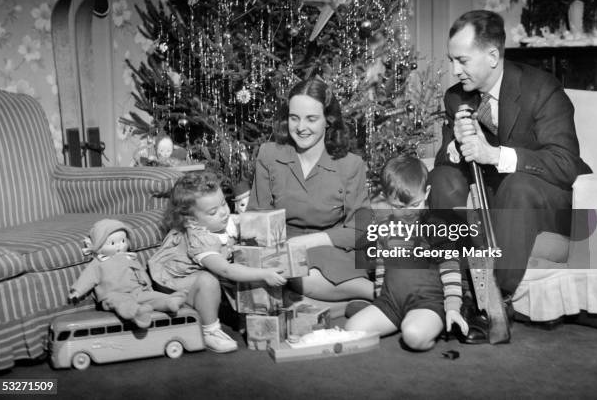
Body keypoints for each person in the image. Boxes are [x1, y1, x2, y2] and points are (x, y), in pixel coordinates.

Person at [430, 10, 591, 340]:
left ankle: (492, 302)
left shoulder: (541, 88)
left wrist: (494, 155)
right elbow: (445, 165)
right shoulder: (456, 96)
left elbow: (565, 163)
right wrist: (457, 147)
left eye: (462, 60)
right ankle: (459, 293)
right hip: (490, 203)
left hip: (546, 201)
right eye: (452, 60)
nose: (455, 70)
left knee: (516, 185)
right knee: (441, 180)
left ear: (492, 56)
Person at [248, 78, 372, 303]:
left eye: (311, 119)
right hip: (283, 251)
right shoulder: (268, 154)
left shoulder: (351, 164)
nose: (301, 127)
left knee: (309, 275)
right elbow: (257, 215)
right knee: (295, 271)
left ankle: (376, 294)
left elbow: (359, 230)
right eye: (294, 118)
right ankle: (374, 296)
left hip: (332, 248)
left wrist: (308, 242)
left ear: (328, 121)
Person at [148, 171, 287, 353]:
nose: (223, 213)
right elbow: (226, 270)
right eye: (213, 212)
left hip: (200, 272)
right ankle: (210, 331)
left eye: (223, 204)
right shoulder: (199, 239)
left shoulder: (221, 222)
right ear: (191, 220)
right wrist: (264, 274)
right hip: (175, 283)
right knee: (209, 281)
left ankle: (246, 315)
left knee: (239, 262)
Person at [345, 156, 468, 351]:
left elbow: (450, 267)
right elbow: (381, 265)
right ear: (387, 200)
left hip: (428, 302)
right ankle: (400, 320)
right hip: (391, 302)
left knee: (413, 335)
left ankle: (437, 322)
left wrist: (453, 306)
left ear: (426, 193)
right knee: (352, 329)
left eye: (415, 205)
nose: (409, 213)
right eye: (400, 207)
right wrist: (378, 297)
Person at [69, 219, 187, 328]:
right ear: (99, 246)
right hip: (113, 294)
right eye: (113, 243)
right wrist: (77, 291)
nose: (120, 245)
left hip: (137, 291)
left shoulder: (130, 258)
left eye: (123, 241)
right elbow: (88, 278)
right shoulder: (98, 263)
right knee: (123, 304)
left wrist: (148, 287)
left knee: (151, 297)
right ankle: (137, 313)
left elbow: (140, 272)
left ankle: (169, 302)